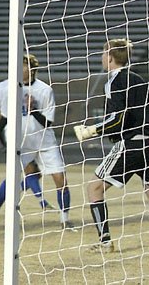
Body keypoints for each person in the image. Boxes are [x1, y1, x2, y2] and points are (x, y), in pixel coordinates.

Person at [0, 55, 74, 231]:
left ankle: (65, 220)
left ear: (32, 69)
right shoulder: (6, 87)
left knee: (60, 179)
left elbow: (48, 122)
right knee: (15, 178)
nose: (18, 69)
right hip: (19, 140)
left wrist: (34, 109)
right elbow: (4, 115)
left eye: (22, 66)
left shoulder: (45, 90)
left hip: (44, 140)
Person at [74, 39, 149, 254]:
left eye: (103, 53)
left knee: (94, 187)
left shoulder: (115, 81)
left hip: (130, 144)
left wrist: (91, 130)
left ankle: (105, 241)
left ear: (110, 56)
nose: (101, 58)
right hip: (147, 143)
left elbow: (118, 119)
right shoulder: (138, 79)